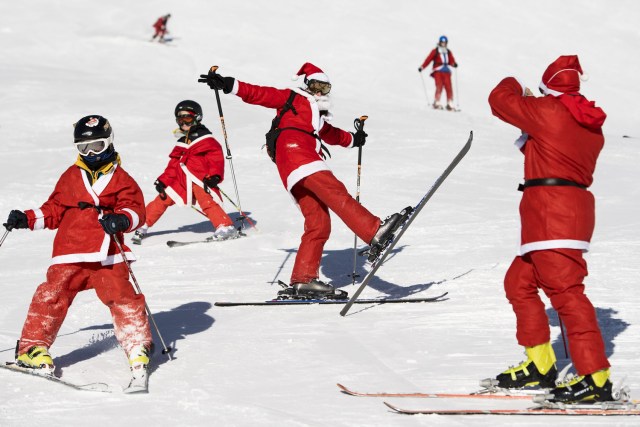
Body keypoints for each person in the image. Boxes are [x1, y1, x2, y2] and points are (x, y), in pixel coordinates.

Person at [198, 63, 409, 299]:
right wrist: (229, 84)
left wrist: (353, 139)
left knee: (318, 221)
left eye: (324, 88)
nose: (319, 92)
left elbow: (331, 134)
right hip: (296, 151)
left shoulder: (316, 117)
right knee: (334, 190)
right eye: (316, 86)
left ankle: (303, 279)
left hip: (292, 166)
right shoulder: (292, 98)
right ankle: (373, 231)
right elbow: (260, 94)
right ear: (305, 85)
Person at [488, 55, 611, 403]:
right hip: (560, 211)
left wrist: (517, 86)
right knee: (519, 282)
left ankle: (595, 376)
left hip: (551, 214)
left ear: (548, 91)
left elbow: (499, 99)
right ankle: (541, 365)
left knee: (566, 292)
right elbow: (551, 148)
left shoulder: (549, 111)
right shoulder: (585, 120)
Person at [2, 115, 153, 380]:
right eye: (84, 148)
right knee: (52, 295)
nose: (91, 153)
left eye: (97, 146)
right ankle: (33, 347)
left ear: (109, 143)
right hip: (70, 249)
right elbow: (54, 209)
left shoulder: (122, 179)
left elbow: (137, 210)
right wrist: (27, 218)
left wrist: (123, 218)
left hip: (108, 251)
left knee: (122, 296)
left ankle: (137, 343)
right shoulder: (71, 176)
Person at [133, 100, 238, 244]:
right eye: (180, 119)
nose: (183, 122)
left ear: (197, 118)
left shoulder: (206, 139)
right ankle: (142, 224)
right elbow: (173, 165)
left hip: (199, 179)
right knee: (161, 200)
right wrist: (164, 180)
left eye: (187, 118)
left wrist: (215, 175)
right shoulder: (182, 141)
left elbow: (216, 158)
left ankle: (225, 227)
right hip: (181, 180)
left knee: (207, 202)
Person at [418, 35, 458, 110]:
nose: (443, 44)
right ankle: (437, 101)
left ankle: (450, 102)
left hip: (446, 71)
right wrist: (422, 67)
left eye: (445, 42)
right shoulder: (435, 51)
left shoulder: (448, 52)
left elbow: (451, 60)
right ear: (439, 42)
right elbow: (428, 59)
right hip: (438, 70)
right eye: (442, 42)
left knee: (448, 86)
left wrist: (454, 64)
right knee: (439, 85)